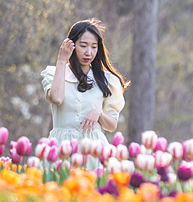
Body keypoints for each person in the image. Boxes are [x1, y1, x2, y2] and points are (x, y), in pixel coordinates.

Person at [41, 19, 128, 167]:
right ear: (71, 46)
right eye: (83, 46)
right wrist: (62, 61)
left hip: (93, 151)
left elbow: (112, 125)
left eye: (94, 47)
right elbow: (56, 98)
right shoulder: (54, 73)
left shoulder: (107, 80)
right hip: (61, 149)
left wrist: (98, 114)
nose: (89, 52)